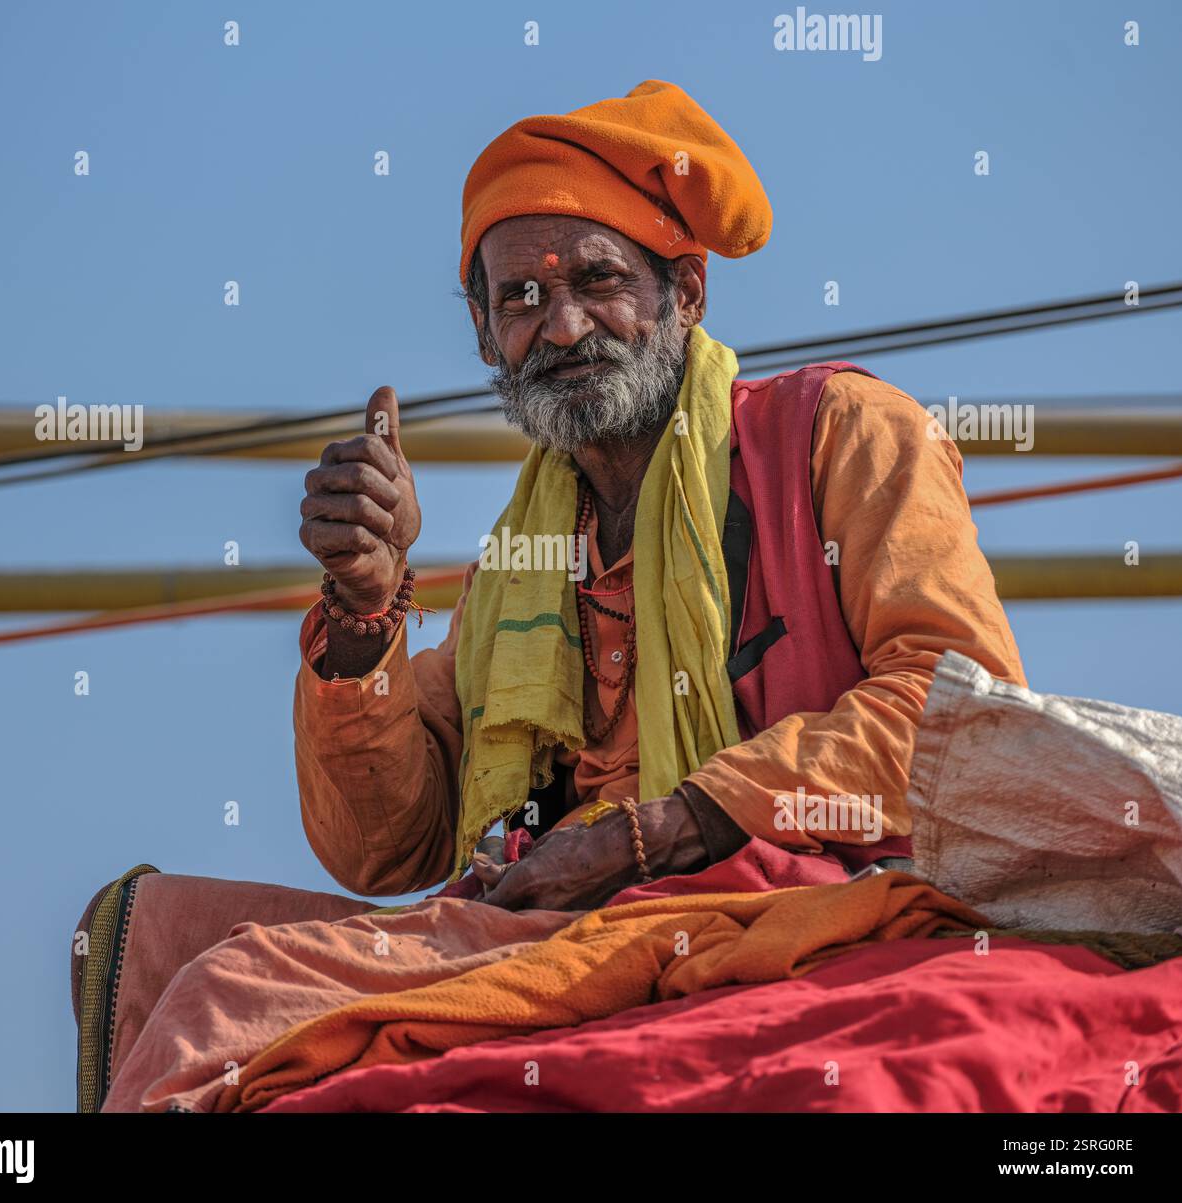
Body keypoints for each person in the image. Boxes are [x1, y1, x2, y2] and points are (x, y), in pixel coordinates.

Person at [294, 79, 1025, 913]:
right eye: (521, 299)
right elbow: (385, 848)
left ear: (685, 293)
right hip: (541, 950)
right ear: (484, 334)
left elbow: (964, 721)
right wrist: (363, 611)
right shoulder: (515, 574)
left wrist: (667, 831)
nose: (563, 326)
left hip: (798, 924)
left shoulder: (842, 432)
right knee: (166, 942)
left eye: (599, 281)